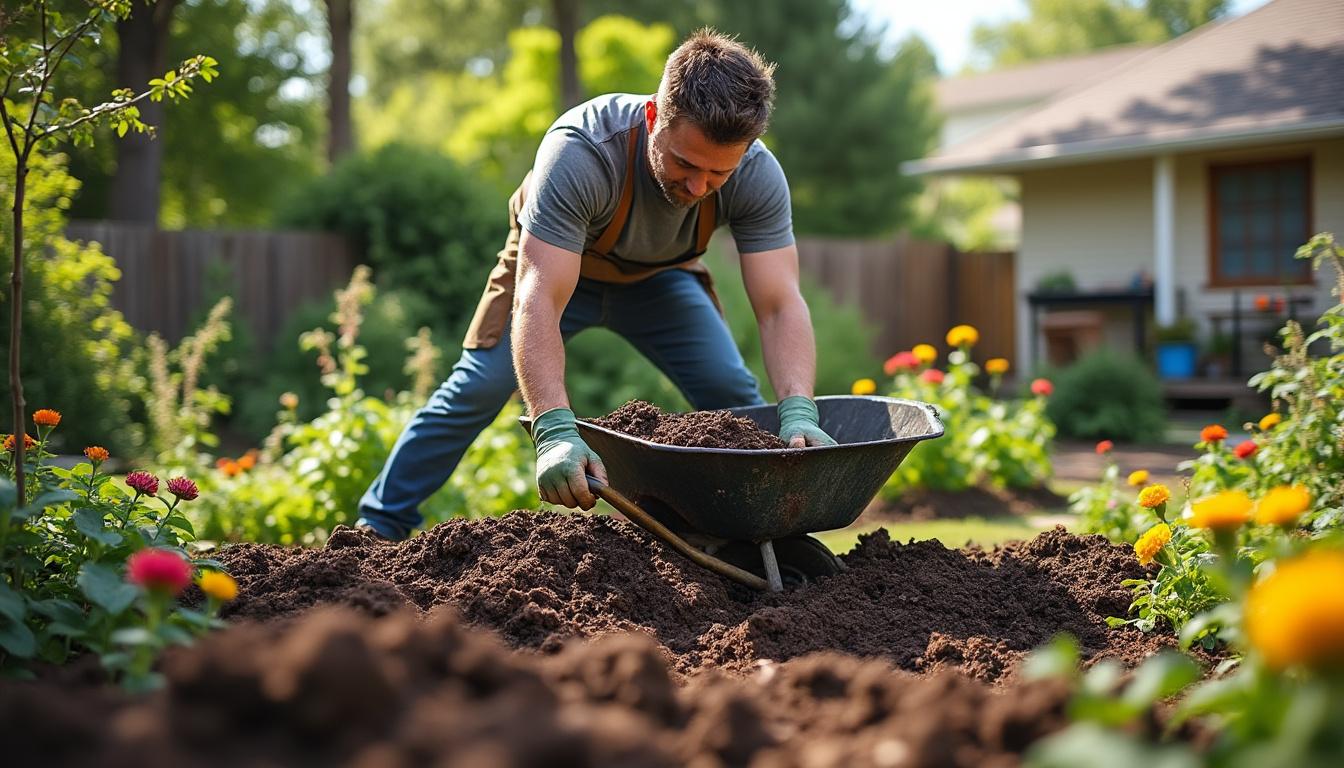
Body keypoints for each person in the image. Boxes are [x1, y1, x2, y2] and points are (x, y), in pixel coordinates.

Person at [355, 29, 836, 541]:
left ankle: (746, 535)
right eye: (684, 163)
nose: (698, 187)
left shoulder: (758, 174)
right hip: (557, 269)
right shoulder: (582, 151)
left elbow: (781, 304)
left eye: (718, 173)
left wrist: (799, 409)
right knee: (476, 387)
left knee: (734, 397)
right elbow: (538, 295)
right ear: (654, 118)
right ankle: (378, 527)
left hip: (660, 279)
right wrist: (555, 430)